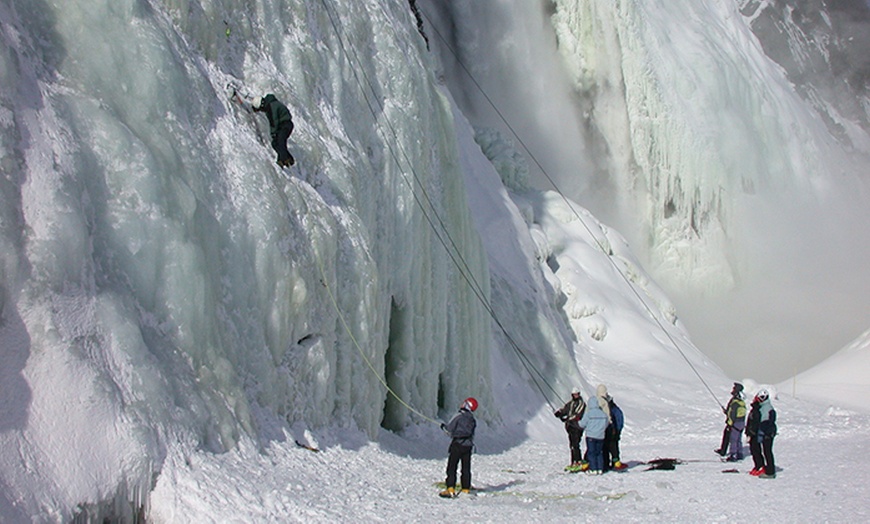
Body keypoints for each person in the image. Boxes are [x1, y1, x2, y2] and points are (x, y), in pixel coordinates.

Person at [439, 397, 478, 497]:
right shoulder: (472, 419)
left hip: (457, 445)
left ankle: (450, 488)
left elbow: (449, 429)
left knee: (452, 467)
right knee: (466, 468)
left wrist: (443, 427)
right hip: (468, 446)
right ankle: (465, 488)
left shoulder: (459, 416)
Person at [252, 94, 295, 167]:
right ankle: (288, 159)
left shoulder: (271, 106)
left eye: (260, 109)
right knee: (275, 143)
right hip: (283, 125)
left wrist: (273, 133)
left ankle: (282, 160)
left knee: (280, 140)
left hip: (285, 124)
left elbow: (274, 121)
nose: (262, 111)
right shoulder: (270, 104)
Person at [578, 386, 610, 475]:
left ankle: (593, 469)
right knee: (599, 452)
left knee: (591, 453)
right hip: (601, 436)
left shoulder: (589, 413)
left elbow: (582, 424)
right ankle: (600, 468)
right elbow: (606, 423)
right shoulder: (603, 414)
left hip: (591, 436)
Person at [554, 387, 586, 471]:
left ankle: (578, 461)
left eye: (577, 394)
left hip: (577, 427)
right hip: (570, 427)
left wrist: (567, 418)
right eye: (574, 394)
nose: (575, 396)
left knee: (576, 444)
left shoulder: (581, 403)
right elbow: (565, 410)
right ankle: (573, 462)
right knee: (572, 445)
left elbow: (577, 414)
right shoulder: (570, 403)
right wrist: (559, 413)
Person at [714, 382, 747, 462]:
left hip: (734, 424)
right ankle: (739, 454)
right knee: (738, 439)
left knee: (733, 439)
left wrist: (729, 424)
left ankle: (733, 455)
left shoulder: (735, 402)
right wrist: (727, 412)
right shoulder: (741, 402)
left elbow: (732, 415)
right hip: (741, 423)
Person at [600, 385, 626, 471]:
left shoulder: (613, 410)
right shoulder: (612, 409)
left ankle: (614, 462)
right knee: (608, 447)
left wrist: (617, 430)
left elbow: (619, 420)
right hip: (609, 431)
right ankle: (609, 463)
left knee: (612, 447)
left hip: (612, 431)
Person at [753, 389, 777, 478]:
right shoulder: (763, 406)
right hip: (766, 432)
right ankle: (769, 468)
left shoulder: (767, 408)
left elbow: (766, 422)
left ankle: (770, 472)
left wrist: (764, 433)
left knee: (767, 451)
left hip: (768, 433)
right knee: (766, 451)